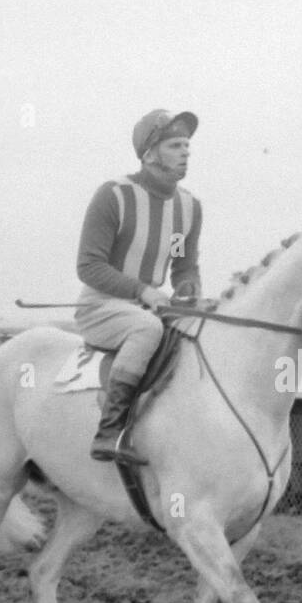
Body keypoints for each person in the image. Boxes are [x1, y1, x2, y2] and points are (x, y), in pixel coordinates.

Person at [76, 109, 202, 462]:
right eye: (175, 145)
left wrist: (188, 288)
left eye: (187, 145)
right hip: (102, 305)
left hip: (153, 306)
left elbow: (184, 264)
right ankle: (110, 431)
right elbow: (89, 266)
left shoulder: (188, 207)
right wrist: (142, 291)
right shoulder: (113, 195)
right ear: (149, 155)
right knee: (146, 328)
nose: (186, 152)